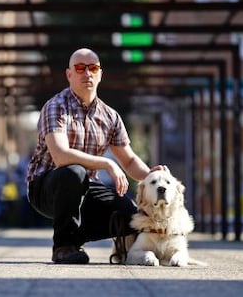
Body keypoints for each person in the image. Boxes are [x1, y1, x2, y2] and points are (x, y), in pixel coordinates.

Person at [26, 48, 165, 264]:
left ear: (100, 73)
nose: (87, 73)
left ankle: (75, 238)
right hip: (47, 187)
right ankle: (63, 247)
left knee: (130, 216)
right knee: (73, 172)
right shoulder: (56, 107)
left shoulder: (110, 116)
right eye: (80, 68)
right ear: (69, 75)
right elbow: (61, 157)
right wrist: (106, 163)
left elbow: (128, 160)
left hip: (87, 187)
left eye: (93, 68)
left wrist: (153, 177)